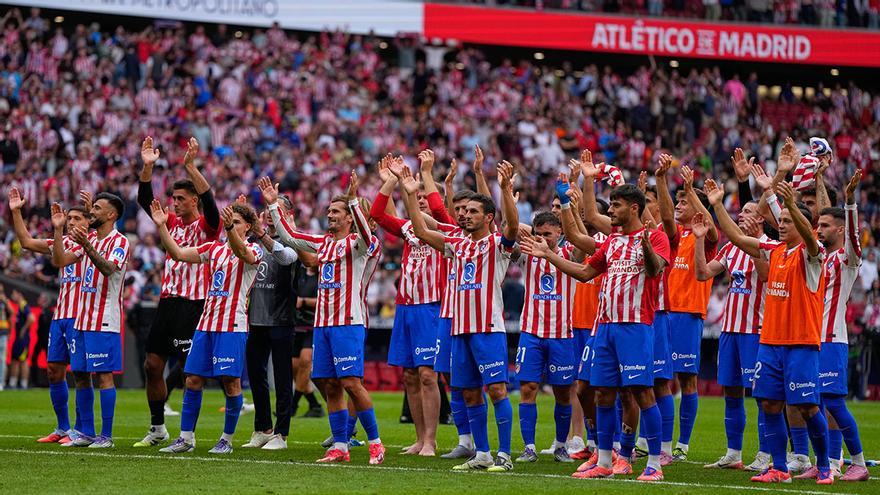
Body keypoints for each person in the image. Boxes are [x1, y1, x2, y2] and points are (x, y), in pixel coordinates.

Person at [520, 184, 670, 482]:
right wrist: (549, 256)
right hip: (605, 327)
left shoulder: (655, 237)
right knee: (602, 392)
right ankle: (603, 460)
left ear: (634, 208)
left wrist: (646, 248)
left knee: (642, 393)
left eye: (616, 205)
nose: (610, 211)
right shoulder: (612, 242)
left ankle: (654, 463)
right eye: (610, 205)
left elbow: (655, 270)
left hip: (635, 327)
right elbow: (585, 273)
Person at [705, 177, 833, 485]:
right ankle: (779, 468)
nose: (784, 224)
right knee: (769, 403)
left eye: (790, 221)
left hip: (801, 344)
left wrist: (789, 203)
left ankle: (825, 466)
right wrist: (717, 205)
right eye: (783, 221)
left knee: (807, 405)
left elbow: (810, 237)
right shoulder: (774, 250)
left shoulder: (813, 255)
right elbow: (736, 236)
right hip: (770, 343)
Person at [261, 174, 387, 465]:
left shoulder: (358, 244)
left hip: (348, 322)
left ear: (348, 218)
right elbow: (291, 237)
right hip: (323, 324)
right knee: (327, 383)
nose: (329, 215)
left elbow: (369, 236)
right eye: (329, 211)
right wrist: (272, 207)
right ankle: (340, 446)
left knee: (352, 383)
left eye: (335, 212)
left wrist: (354, 200)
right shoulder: (323, 244)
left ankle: (376, 444)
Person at [402, 161, 519, 472]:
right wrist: (412, 196)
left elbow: (511, 228)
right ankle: (481, 454)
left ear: (488, 218)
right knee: (468, 391)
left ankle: (504, 455)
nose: (465, 214)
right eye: (463, 211)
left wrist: (505, 190)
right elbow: (423, 231)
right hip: (459, 329)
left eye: (473, 212)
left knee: (496, 390)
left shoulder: (497, 245)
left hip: (488, 327)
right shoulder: (456, 244)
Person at [152, 201, 262, 454]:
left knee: (231, 382)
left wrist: (230, 230)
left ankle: (226, 440)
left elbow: (241, 252)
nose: (229, 226)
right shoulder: (213, 249)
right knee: (192, 379)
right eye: (228, 221)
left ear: (247, 226)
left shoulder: (254, 250)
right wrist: (161, 227)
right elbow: (178, 254)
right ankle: (186, 438)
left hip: (232, 325)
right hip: (206, 323)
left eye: (235, 222)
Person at [134, 137, 221, 448]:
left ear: (194, 200)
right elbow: (146, 200)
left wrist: (191, 167)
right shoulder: (169, 223)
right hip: (168, 302)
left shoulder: (208, 227)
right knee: (152, 366)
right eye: (173, 197)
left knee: (191, 372)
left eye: (181, 198)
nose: (174, 202)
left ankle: (188, 436)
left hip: (194, 304)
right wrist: (147, 166)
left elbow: (212, 205)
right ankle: (158, 428)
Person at [370, 153, 443, 456]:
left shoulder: (445, 229)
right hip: (405, 308)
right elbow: (378, 213)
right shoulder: (409, 229)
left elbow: (437, 207)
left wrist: (422, 177)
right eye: (417, 198)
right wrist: (389, 180)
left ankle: (431, 440)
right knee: (410, 375)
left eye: (425, 198)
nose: (422, 201)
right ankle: (419, 438)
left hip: (430, 307)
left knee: (428, 374)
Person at [800, 170, 869, 482]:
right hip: (812, 338)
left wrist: (851, 201)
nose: (820, 230)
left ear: (840, 230)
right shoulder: (820, 258)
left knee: (834, 404)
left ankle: (859, 462)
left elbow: (854, 239)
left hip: (832, 338)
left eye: (825, 226)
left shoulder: (846, 258)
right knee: (814, 403)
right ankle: (826, 461)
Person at [693, 194, 769, 471]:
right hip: (730, 331)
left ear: (760, 219)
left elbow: (765, 276)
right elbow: (702, 274)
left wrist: (756, 242)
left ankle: (765, 454)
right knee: (732, 392)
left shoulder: (767, 246)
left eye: (748, 211)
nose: (741, 214)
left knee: (763, 395)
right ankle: (733, 453)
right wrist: (700, 239)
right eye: (741, 211)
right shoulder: (729, 250)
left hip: (755, 331)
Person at [8, 186, 90, 442]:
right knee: (54, 370)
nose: (71, 222)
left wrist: (91, 210)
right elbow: (26, 242)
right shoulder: (61, 242)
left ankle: (80, 429)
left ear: (89, 222)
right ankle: (62, 428)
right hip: (61, 316)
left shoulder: (96, 243)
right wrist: (17, 212)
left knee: (80, 373)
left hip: (83, 316)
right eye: (70, 218)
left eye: (78, 218)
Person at [51, 193, 130, 448]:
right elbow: (60, 261)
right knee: (82, 376)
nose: (90, 212)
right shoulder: (91, 237)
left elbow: (108, 268)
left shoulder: (120, 241)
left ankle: (106, 436)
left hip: (104, 319)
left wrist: (86, 246)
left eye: (96, 208)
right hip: (81, 320)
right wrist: (59, 229)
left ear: (111, 215)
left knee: (104, 376)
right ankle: (86, 432)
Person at [654, 156, 718, 462]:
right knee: (660, 378)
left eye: (685, 202)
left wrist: (692, 191)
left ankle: (682, 445)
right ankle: (662, 444)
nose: (679, 205)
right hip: (664, 312)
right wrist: (662, 181)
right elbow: (666, 217)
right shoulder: (675, 236)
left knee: (687, 379)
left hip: (689, 313)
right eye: (678, 201)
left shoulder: (706, 239)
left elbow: (712, 229)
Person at [513, 209, 581, 464]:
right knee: (528, 388)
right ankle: (529, 447)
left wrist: (568, 204)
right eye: (538, 233)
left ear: (560, 234)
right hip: (531, 333)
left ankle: (561, 446)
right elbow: (510, 227)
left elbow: (582, 244)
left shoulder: (569, 254)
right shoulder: (526, 255)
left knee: (563, 392)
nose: (542, 238)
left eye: (548, 234)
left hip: (562, 334)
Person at [241, 197, 300, 451]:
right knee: (256, 374)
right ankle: (263, 428)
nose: (268, 216)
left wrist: (263, 234)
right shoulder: (252, 243)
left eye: (275, 212)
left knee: (283, 377)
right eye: (265, 212)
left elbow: (287, 258)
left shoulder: (292, 240)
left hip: (281, 318)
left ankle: (281, 434)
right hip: (255, 319)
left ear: (287, 215)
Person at [291, 257, 323, 418]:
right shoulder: (299, 273)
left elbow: (324, 300)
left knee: (305, 362)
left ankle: (293, 404)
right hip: (297, 324)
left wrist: (303, 301)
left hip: (313, 325)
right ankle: (314, 404)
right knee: (294, 367)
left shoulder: (324, 275)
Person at [8, 289, 34, 389]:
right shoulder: (19, 306)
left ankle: (23, 384)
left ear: (20, 294)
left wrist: (23, 329)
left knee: (23, 361)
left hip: (23, 339)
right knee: (15, 360)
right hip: (19, 339)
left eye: (14, 293)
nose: (12, 295)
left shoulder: (23, 305)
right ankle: (12, 383)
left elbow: (31, 318)